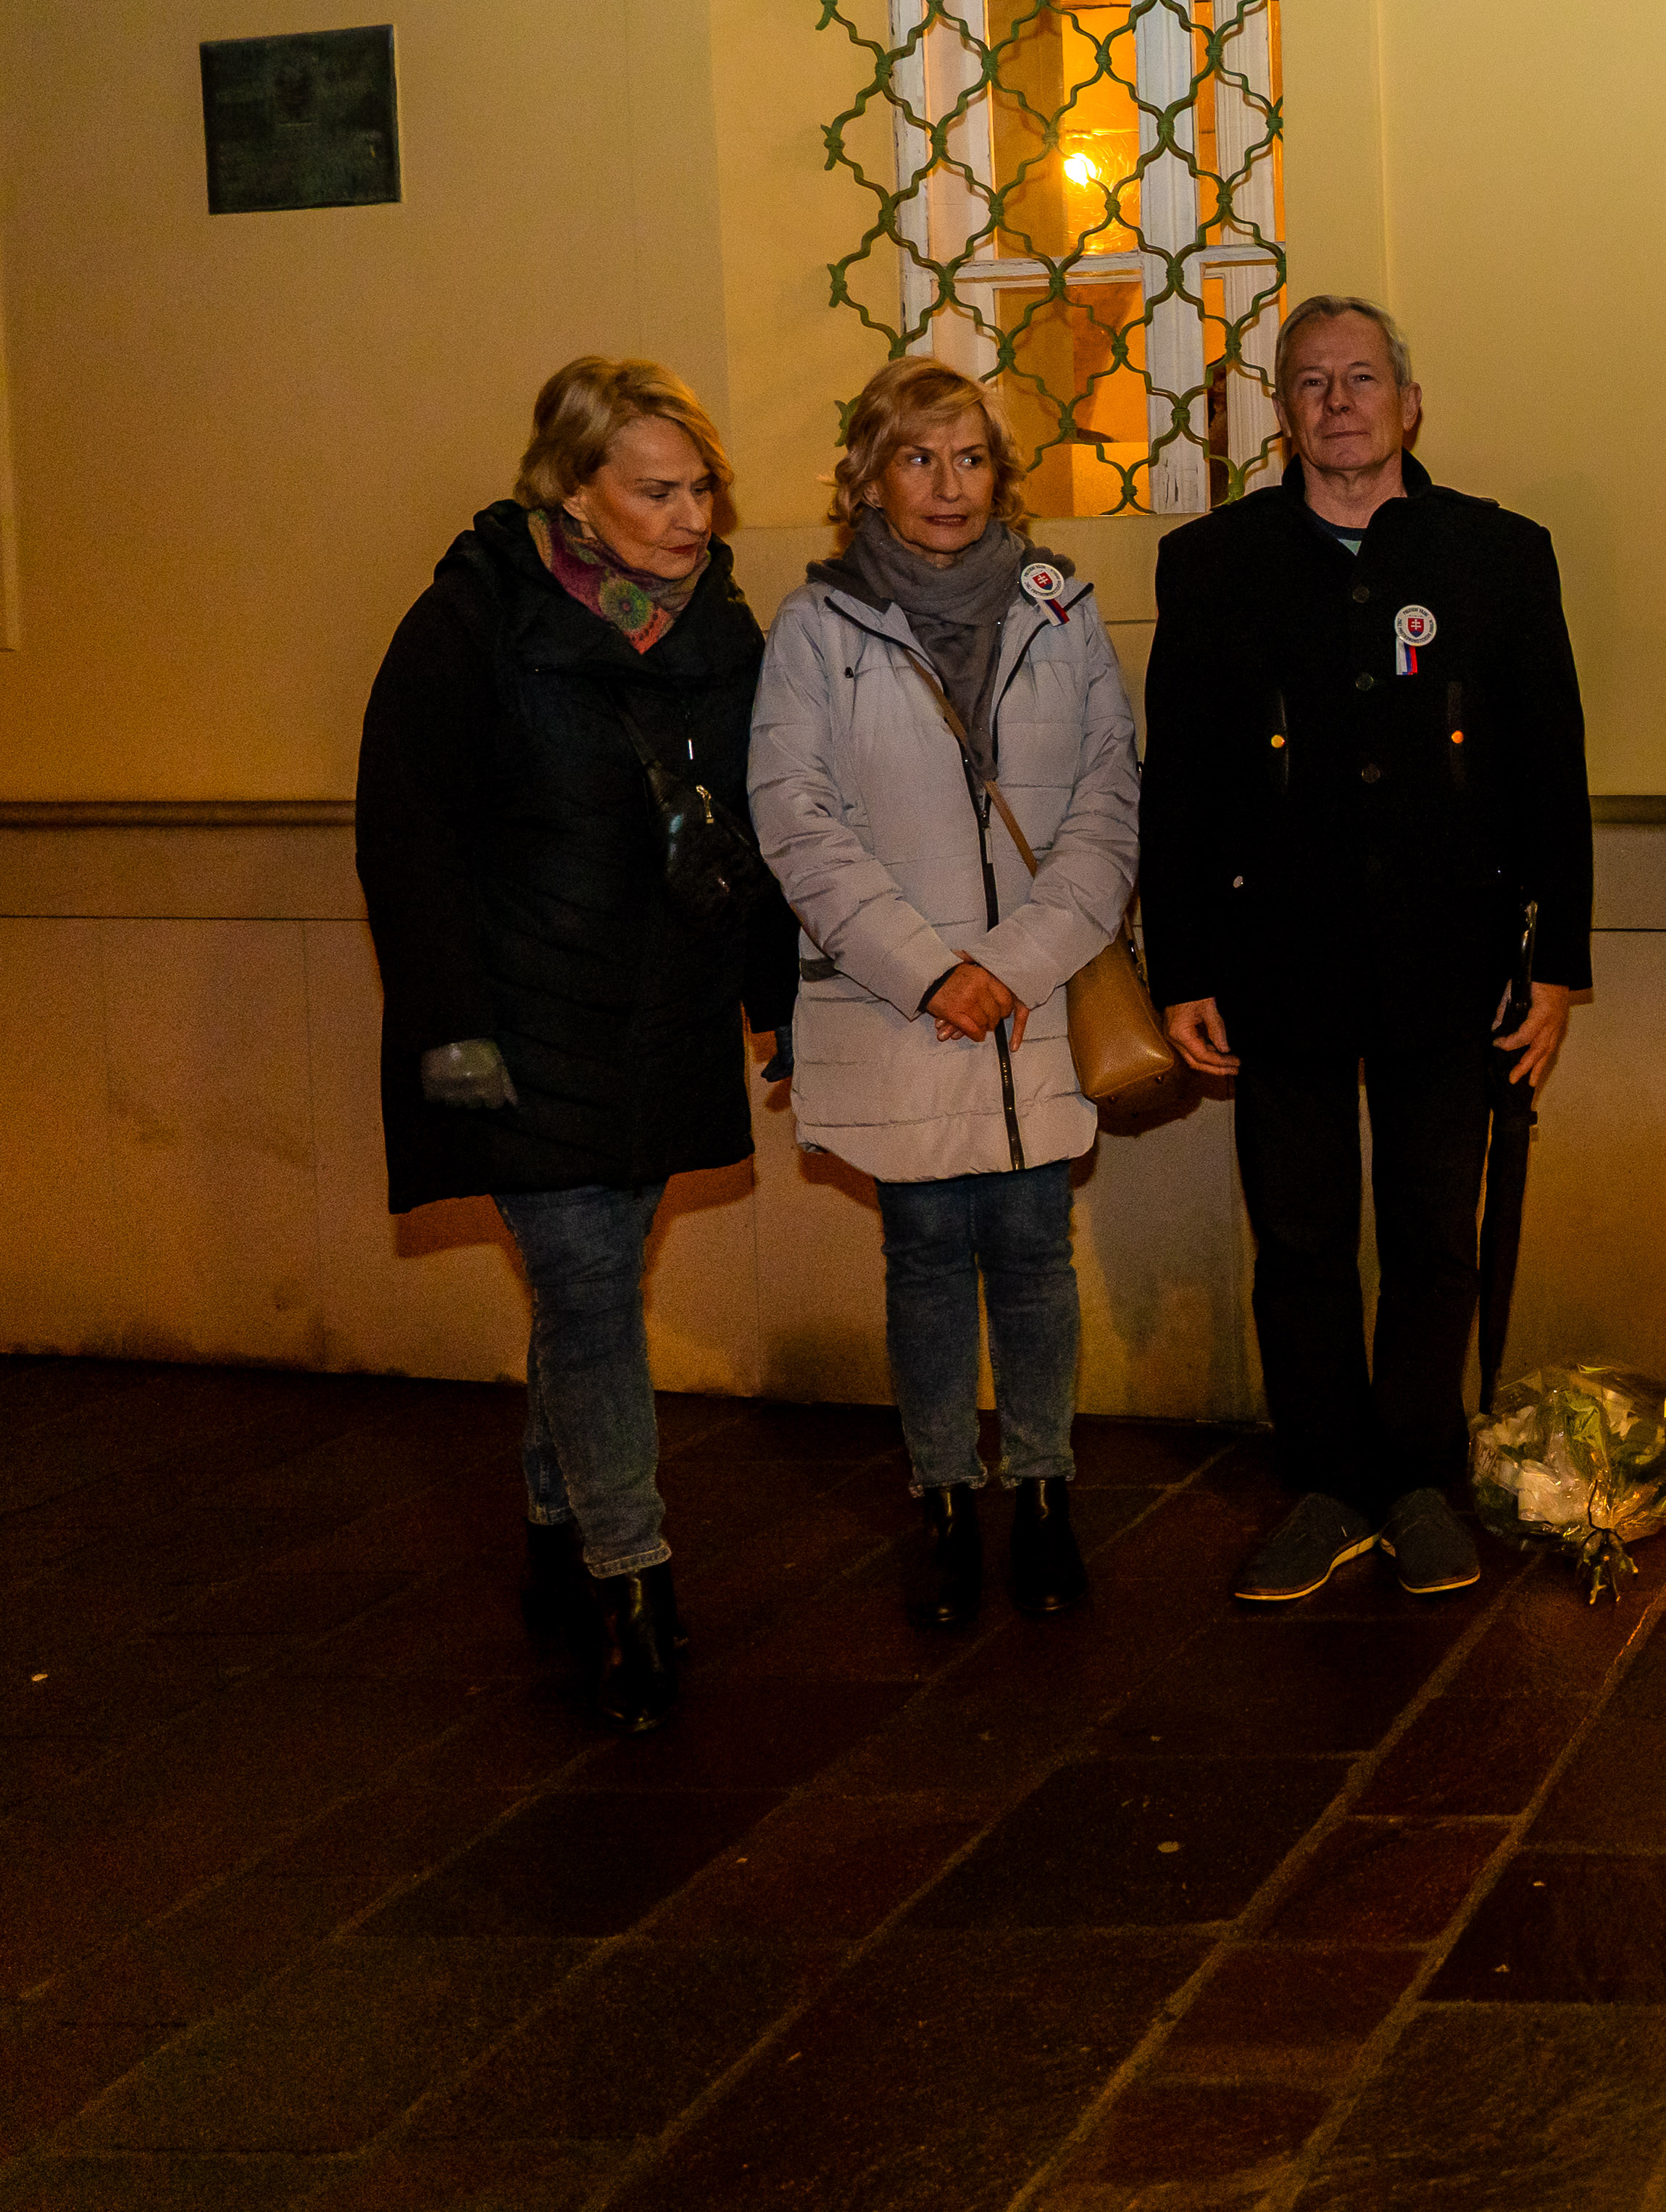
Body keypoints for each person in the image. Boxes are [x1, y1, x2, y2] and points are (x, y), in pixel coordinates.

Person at [1141, 295, 1594, 1605]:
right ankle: (1326, 1481)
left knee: (1433, 1236)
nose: (1339, 402)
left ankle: (1417, 1480)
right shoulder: (1214, 566)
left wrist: (1554, 958)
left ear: (1410, 403)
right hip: (1276, 960)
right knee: (1299, 1239)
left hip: (1452, 964)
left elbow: (1552, 771)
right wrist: (1181, 966)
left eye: (1363, 378)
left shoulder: (1497, 559)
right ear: (1283, 414)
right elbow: (1180, 785)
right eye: (1311, 383)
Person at [359, 356, 789, 1734]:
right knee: (596, 1286)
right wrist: (450, 1044)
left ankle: (552, 1517)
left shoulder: (725, 631)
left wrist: (776, 992)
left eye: (702, 486)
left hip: (664, 1013)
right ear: (575, 494)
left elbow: (770, 824)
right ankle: (633, 1577)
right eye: (657, 490)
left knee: (596, 1277)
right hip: (517, 1016)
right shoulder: (473, 618)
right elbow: (407, 839)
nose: (691, 515)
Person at [749, 356, 1143, 1631]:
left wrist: (1013, 965)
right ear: (866, 475)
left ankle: (1041, 1494)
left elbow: (1108, 800)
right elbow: (796, 821)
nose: (947, 485)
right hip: (897, 1000)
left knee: (1033, 1251)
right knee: (924, 1258)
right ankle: (942, 1499)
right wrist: (934, 973)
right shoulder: (816, 629)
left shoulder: (1058, 603)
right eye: (918, 459)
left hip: (1028, 995)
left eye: (970, 458)